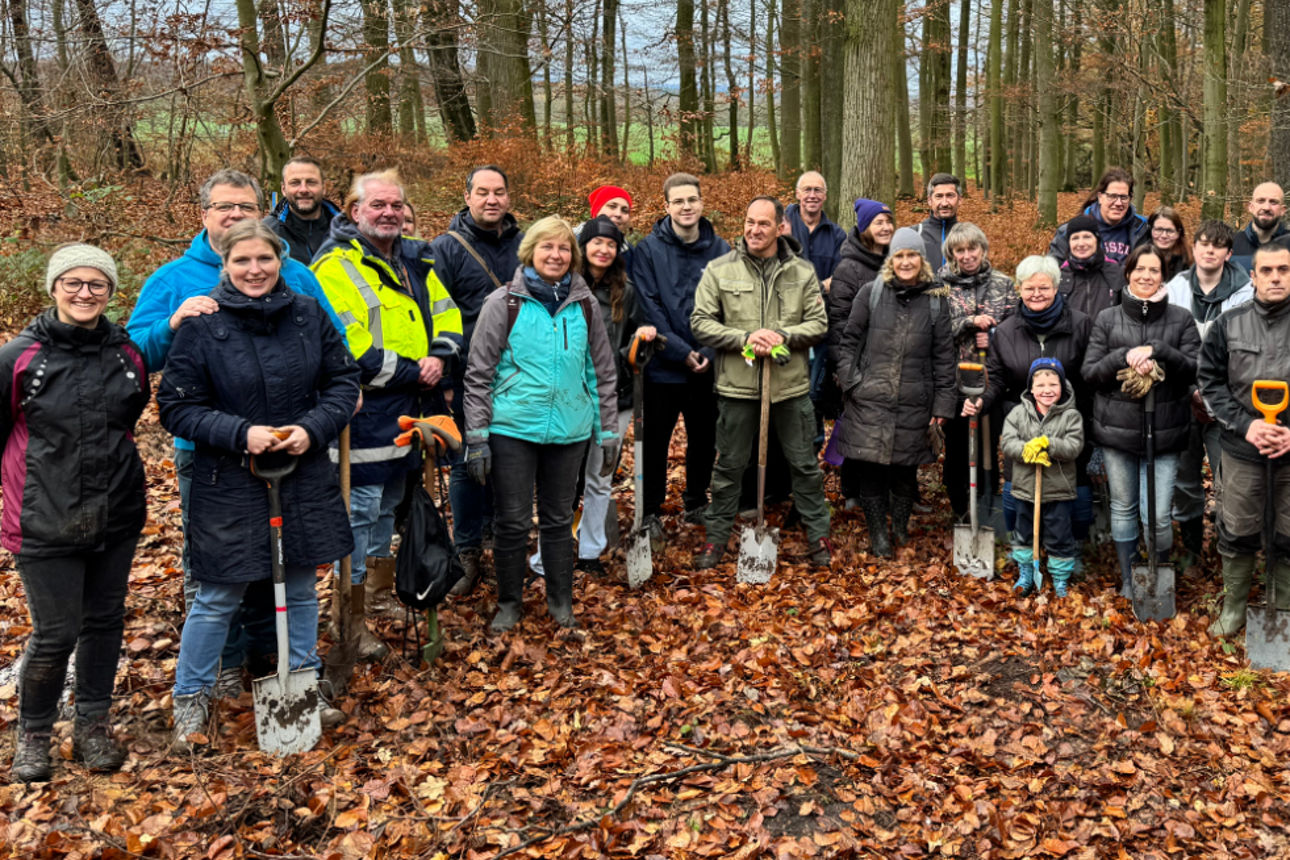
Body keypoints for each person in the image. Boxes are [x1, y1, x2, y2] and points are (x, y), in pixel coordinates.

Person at [127, 168, 342, 697]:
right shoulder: (174, 280)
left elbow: (335, 360)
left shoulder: (302, 287)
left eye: (245, 207)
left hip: (295, 455)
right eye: (224, 207)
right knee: (223, 573)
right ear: (205, 215)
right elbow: (136, 359)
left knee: (288, 566)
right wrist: (171, 324)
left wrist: (312, 428)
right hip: (211, 458)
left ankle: (278, 665)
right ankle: (220, 673)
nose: (234, 217)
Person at [158, 220, 360, 753]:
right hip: (229, 479)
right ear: (224, 264)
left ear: (281, 261)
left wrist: (311, 429)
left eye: (264, 260)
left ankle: (304, 683)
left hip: (302, 472)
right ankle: (191, 700)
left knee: (299, 585)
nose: (255, 270)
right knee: (219, 592)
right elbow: (176, 408)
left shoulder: (307, 314)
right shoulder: (202, 325)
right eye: (242, 261)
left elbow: (343, 382)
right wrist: (239, 433)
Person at [2, 246, 149, 782]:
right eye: (73, 283)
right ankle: (34, 734)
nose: (85, 293)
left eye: (97, 284)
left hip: (117, 508)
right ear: (54, 287)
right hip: (43, 513)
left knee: (105, 622)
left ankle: (93, 724)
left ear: (111, 292)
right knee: (55, 632)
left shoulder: (126, 355)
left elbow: (129, 420)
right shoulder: (18, 357)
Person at [311, 169, 463, 657]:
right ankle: (347, 615)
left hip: (415, 406)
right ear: (355, 211)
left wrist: (440, 357)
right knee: (358, 510)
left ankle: (376, 595)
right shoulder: (334, 266)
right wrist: (410, 371)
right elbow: (345, 345)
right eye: (378, 205)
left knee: (389, 505)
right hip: (366, 410)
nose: (389, 213)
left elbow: (447, 312)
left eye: (396, 205)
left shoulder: (418, 257)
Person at [462, 216, 620, 632]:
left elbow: (601, 372)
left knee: (556, 519)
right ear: (530, 252)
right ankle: (510, 603)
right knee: (512, 520)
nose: (556, 255)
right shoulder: (504, 303)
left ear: (574, 256)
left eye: (564, 248)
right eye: (547, 247)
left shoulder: (584, 306)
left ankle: (559, 601)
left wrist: (607, 432)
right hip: (512, 428)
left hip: (569, 431)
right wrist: (477, 438)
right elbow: (479, 374)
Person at [690, 196, 832, 568]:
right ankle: (716, 538)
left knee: (803, 464)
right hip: (737, 386)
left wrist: (782, 335)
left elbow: (819, 325)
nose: (754, 230)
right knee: (729, 466)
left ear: (780, 227)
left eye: (764, 224)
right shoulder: (720, 270)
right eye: (750, 222)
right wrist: (745, 338)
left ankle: (819, 535)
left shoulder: (802, 273)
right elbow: (701, 321)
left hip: (790, 387)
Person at [1081, 246, 1200, 597]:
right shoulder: (1107, 318)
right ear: (1128, 273)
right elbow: (1090, 373)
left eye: (1154, 269)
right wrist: (1123, 357)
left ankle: (1157, 572)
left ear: (1163, 275)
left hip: (1164, 433)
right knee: (1123, 507)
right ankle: (1130, 578)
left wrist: (1159, 351)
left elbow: (1194, 368)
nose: (1146, 276)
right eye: (1140, 269)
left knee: (1159, 515)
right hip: (1117, 432)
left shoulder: (1181, 319)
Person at [429, 165, 523, 595]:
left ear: (509, 197)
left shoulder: (526, 245)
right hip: (469, 374)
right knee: (468, 462)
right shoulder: (446, 250)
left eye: (499, 192)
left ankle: (502, 540)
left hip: (522, 374)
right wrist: (447, 377)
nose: (491, 200)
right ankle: (466, 550)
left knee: (511, 459)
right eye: (482, 192)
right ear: (466, 196)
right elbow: (437, 314)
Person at [834, 227, 956, 556]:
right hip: (869, 401)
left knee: (905, 472)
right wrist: (853, 382)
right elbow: (849, 342)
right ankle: (878, 535)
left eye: (912, 255)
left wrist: (943, 405)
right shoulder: (870, 294)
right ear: (891, 259)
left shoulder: (936, 301)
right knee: (871, 472)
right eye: (899, 255)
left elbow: (945, 357)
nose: (905, 262)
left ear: (922, 260)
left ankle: (900, 527)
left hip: (915, 403)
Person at [964, 256, 1093, 537]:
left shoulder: (1082, 325)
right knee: (1016, 484)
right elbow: (997, 378)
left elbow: (1090, 375)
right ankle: (1021, 544)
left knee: (1074, 483)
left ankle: (1073, 545)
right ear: (1019, 289)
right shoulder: (1007, 331)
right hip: (1021, 421)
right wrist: (982, 401)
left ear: (1056, 288)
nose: (1036, 294)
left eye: (1044, 288)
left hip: (1070, 419)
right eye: (1029, 288)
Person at [1197, 245, 1290, 637]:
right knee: (1237, 529)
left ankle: (1282, 609)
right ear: (1251, 277)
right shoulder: (1228, 324)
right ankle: (1234, 607)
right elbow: (1210, 382)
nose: (1275, 277)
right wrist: (1246, 426)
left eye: (1284, 269)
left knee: (1288, 531)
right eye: (1266, 270)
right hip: (1241, 450)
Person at [631, 172, 731, 536]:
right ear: (666, 206)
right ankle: (651, 510)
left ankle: (696, 502)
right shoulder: (647, 251)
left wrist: (706, 350)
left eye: (692, 200)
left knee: (705, 438)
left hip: (707, 365)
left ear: (702, 203)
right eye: (679, 201)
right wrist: (679, 350)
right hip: (662, 366)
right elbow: (647, 304)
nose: (686, 207)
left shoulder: (722, 251)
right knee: (656, 440)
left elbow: (729, 305)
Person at [1165, 220, 1253, 567]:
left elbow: (1243, 352)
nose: (1209, 251)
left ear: (1229, 253)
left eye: (1217, 246)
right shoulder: (1176, 288)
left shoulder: (1244, 292)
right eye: (1203, 244)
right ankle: (1190, 552)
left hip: (1228, 405)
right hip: (1183, 400)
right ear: (1195, 248)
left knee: (1228, 482)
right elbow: (1167, 344)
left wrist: (1215, 396)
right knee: (1185, 480)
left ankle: (1226, 554)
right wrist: (1191, 391)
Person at [940, 222, 1017, 519]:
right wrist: (969, 324)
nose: (967, 255)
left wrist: (994, 336)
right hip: (955, 379)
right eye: (960, 250)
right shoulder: (940, 285)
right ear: (952, 253)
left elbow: (1014, 326)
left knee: (989, 444)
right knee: (958, 446)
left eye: (972, 248)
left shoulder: (1003, 283)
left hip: (992, 379)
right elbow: (934, 329)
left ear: (983, 250)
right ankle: (960, 507)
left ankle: (987, 503)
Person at [825, 198, 893, 506]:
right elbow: (838, 320)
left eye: (889, 222)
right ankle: (852, 491)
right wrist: (845, 367)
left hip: (891, 363)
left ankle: (886, 491)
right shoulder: (849, 267)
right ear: (864, 227)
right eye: (878, 222)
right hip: (858, 363)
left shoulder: (898, 261)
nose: (886, 227)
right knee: (856, 427)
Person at [1001, 358, 1084, 598]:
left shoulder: (1071, 416)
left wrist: (1049, 445)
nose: (1047, 390)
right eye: (1040, 385)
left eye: (1053, 384)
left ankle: (1060, 579)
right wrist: (1026, 450)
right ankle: (1027, 572)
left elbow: (1074, 446)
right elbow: (1008, 442)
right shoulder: (1018, 413)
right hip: (1026, 489)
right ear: (1031, 389)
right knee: (1024, 532)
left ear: (1062, 386)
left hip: (1058, 490)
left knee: (1060, 536)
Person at [1048, 167, 1149, 264]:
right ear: (1100, 197)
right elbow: (1052, 271)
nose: (1118, 203)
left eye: (1123, 197)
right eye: (1112, 196)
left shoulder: (1144, 228)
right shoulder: (1070, 231)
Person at [263, 155, 341, 265]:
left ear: (324, 187)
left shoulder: (349, 230)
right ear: (284, 189)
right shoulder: (266, 233)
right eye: (295, 183)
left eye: (311, 182)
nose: (303, 189)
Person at [1054, 213, 1125, 321]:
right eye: (1075, 238)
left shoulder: (1116, 272)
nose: (1081, 243)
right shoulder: (1059, 276)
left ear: (1097, 240)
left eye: (1087, 237)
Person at [1230, 182, 1290, 272]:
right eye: (1261, 201)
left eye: (1273, 202)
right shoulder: (1231, 245)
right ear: (1251, 207)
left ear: (1283, 210)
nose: (1266, 207)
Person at [913, 173, 961, 271]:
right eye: (939, 196)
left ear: (960, 200)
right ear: (930, 200)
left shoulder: (969, 235)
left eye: (950, 196)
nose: (944, 203)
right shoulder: (915, 233)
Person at [1146, 206, 1192, 283]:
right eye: (1159, 229)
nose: (1164, 235)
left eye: (1170, 231)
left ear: (1178, 233)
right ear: (1151, 230)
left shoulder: (1188, 259)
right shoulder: (1140, 255)